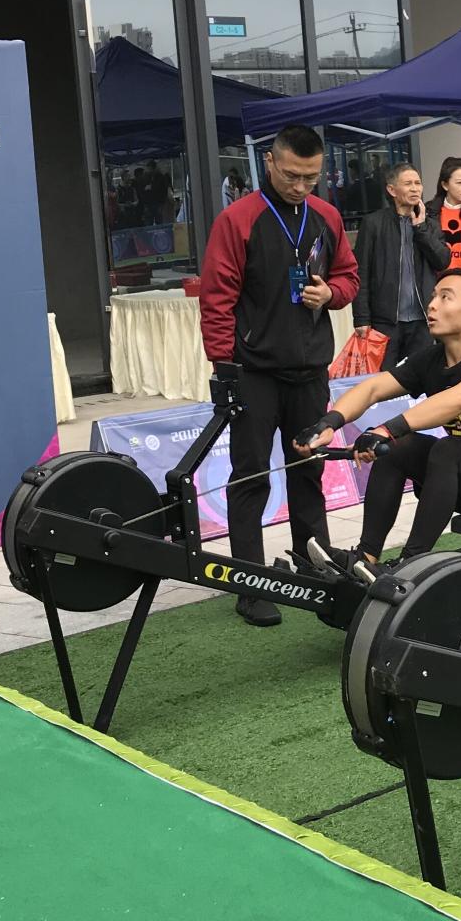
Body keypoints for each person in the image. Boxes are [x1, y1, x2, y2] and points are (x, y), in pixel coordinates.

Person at [200, 124, 359, 626]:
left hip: (310, 370)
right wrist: (223, 368)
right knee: (250, 475)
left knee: (308, 470)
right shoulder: (238, 219)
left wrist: (330, 294)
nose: (300, 186)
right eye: (292, 175)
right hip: (252, 371)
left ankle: (316, 569)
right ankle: (250, 584)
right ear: (269, 162)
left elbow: (349, 277)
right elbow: (217, 298)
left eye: (311, 178)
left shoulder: (327, 216)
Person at [296, 270, 461, 570]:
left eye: (445, 297)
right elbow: (372, 389)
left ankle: (410, 564)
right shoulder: (431, 359)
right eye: (433, 296)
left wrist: (386, 429)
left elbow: (459, 399)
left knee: (448, 449)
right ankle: (365, 559)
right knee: (397, 448)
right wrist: (328, 423)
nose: (432, 305)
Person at [352, 161, 448, 371]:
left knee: (419, 378)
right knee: (384, 379)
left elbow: (442, 261)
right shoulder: (373, 223)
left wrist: (420, 228)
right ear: (392, 190)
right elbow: (361, 273)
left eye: (418, 183)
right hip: (384, 321)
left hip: (422, 319)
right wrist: (361, 317)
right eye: (408, 184)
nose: (415, 189)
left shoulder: (430, 224)